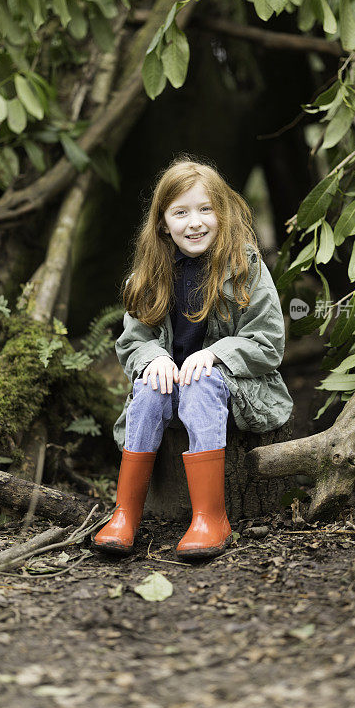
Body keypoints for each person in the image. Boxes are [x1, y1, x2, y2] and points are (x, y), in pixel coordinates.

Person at [93, 155, 293, 561]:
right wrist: (153, 358)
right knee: (148, 387)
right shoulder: (149, 274)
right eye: (181, 212)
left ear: (222, 212)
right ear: (163, 222)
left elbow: (268, 342)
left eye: (205, 209)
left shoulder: (245, 266)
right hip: (172, 387)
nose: (195, 222)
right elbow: (133, 342)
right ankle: (126, 514)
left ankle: (210, 517)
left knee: (201, 382)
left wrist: (217, 354)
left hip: (236, 390)